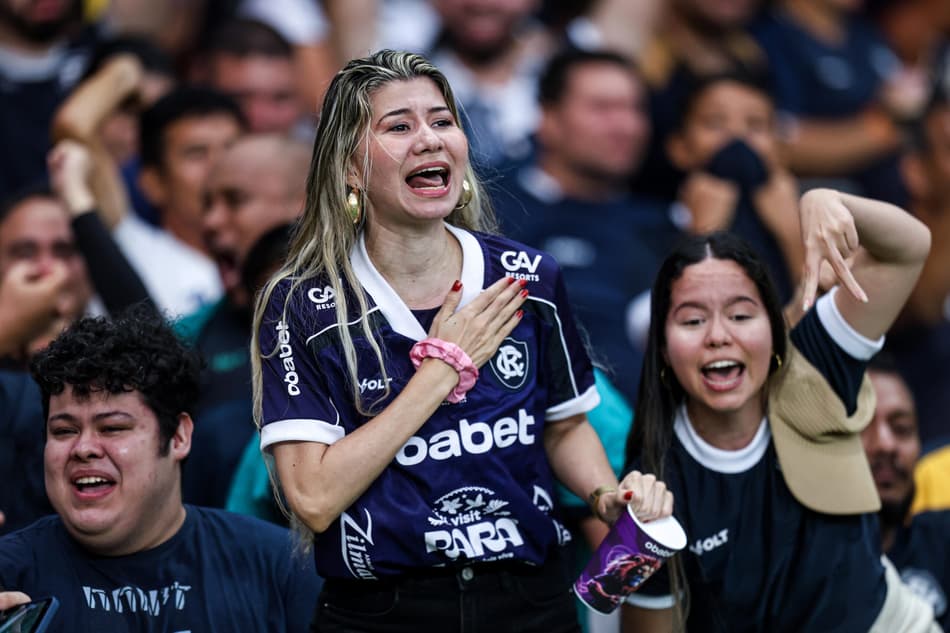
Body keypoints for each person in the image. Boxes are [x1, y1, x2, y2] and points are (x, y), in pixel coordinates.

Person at [251, 49, 673, 631]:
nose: (429, 139)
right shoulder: (301, 304)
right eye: (399, 126)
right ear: (350, 167)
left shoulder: (530, 278)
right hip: (384, 611)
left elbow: (565, 424)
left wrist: (606, 497)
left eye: (442, 121)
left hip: (529, 601)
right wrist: (442, 372)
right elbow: (315, 499)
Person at [621, 189, 936, 631]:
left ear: (774, 328)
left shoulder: (815, 364)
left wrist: (828, 201)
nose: (718, 336)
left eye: (741, 315)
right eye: (692, 320)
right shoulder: (655, 482)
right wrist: (640, 536)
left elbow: (908, 248)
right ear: (662, 348)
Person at [0, 307, 321, 631]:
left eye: (112, 428)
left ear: (179, 436)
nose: (83, 448)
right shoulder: (8, 576)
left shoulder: (281, 568)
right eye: (64, 431)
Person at [861, 354, 950, 629]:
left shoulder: (942, 541)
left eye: (902, 429)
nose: (886, 444)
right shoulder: (801, 564)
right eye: (862, 426)